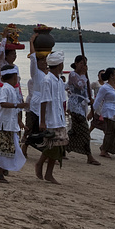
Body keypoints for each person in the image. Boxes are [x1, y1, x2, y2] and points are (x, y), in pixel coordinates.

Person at [35, 51, 69, 185]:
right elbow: (44, 101)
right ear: (60, 65)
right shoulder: (47, 80)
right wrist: (42, 121)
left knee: (59, 146)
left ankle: (48, 171)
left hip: (59, 117)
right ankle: (41, 165)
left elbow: (61, 101)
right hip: (51, 117)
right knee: (53, 145)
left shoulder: (59, 81)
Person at [0, 65, 29, 183]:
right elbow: (3, 103)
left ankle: (3, 169)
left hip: (10, 124)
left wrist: (20, 122)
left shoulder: (12, 89)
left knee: (11, 148)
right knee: (5, 149)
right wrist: (17, 105)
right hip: (4, 124)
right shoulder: (5, 89)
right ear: (13, 77)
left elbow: (14, 110)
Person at [66, 55, 101, 165]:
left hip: (82, 107)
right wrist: (83, 74)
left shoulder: (84, 76)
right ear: (76, 63)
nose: (83, 66)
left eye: (85, 64)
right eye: (81, 63)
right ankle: (89, 156)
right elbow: (80, 85)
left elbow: (86, 91)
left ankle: (61, 148)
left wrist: (90, 102)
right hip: (75, 106)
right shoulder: (73, 75)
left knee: (74, 132)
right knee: (85, 130)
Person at [21, 33, 48, 156]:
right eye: (41, 60)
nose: (44, 62)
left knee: (43, 130)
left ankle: (45, 151)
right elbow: (32, 58)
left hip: (46, 104)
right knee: (32, 128)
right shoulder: (36, 73)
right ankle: (25, 147)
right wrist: (31, 42)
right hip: (36, 104)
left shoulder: (48, 74)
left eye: (44, 60)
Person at [92, 67, 115, 160]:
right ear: (111, 76)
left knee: (112, 132)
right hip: (108, 111)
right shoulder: (104, 88)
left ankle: (104, 149)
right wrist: (92, 112)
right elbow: (98, 100)